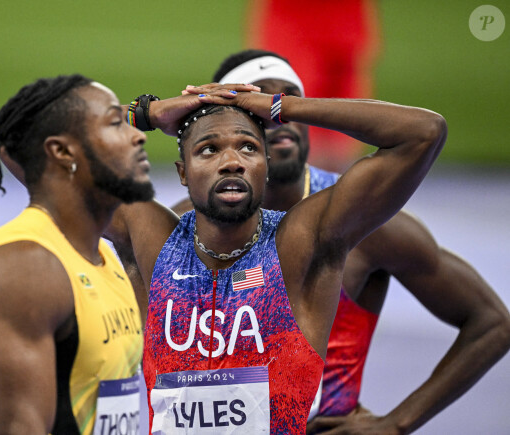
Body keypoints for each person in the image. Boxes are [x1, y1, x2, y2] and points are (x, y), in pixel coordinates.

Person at [174, 49, 510, 434]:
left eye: (287, 99)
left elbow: (492, 323)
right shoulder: (185, 225)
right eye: (260, 102)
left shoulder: (364, 220)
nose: (277, 117)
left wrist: (396, 424)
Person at [105, 74, 447, 432]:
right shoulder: (152, 241)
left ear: (266, 166)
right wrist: (147, 113)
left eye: (249, 147)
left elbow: (423, 132)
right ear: (183, 173)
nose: (232, 162)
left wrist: (283, 107)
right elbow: (56, 155)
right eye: (209, 149)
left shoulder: (300, 244)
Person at [0, 74, 154, 434]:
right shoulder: (25, 269)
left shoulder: (102, 255)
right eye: (116, 123)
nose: (138, 135)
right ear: (63, 152)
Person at [244, 0, 382, 172]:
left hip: (345, 17)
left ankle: (332, 186)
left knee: (345, 119)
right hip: (294, 19)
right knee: (296, 114)